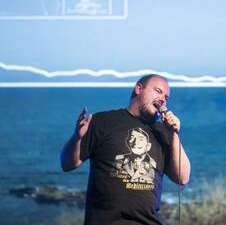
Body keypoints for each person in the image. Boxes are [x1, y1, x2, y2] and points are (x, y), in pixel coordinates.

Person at [60, 74, 191, 225]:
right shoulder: (102, 121)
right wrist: (77, 137)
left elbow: (183, 178)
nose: (163, 99)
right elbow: (67, 164)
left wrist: (174, 135)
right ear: (139, 89)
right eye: (157, 91)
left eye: (166, 97)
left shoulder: (163, 133)